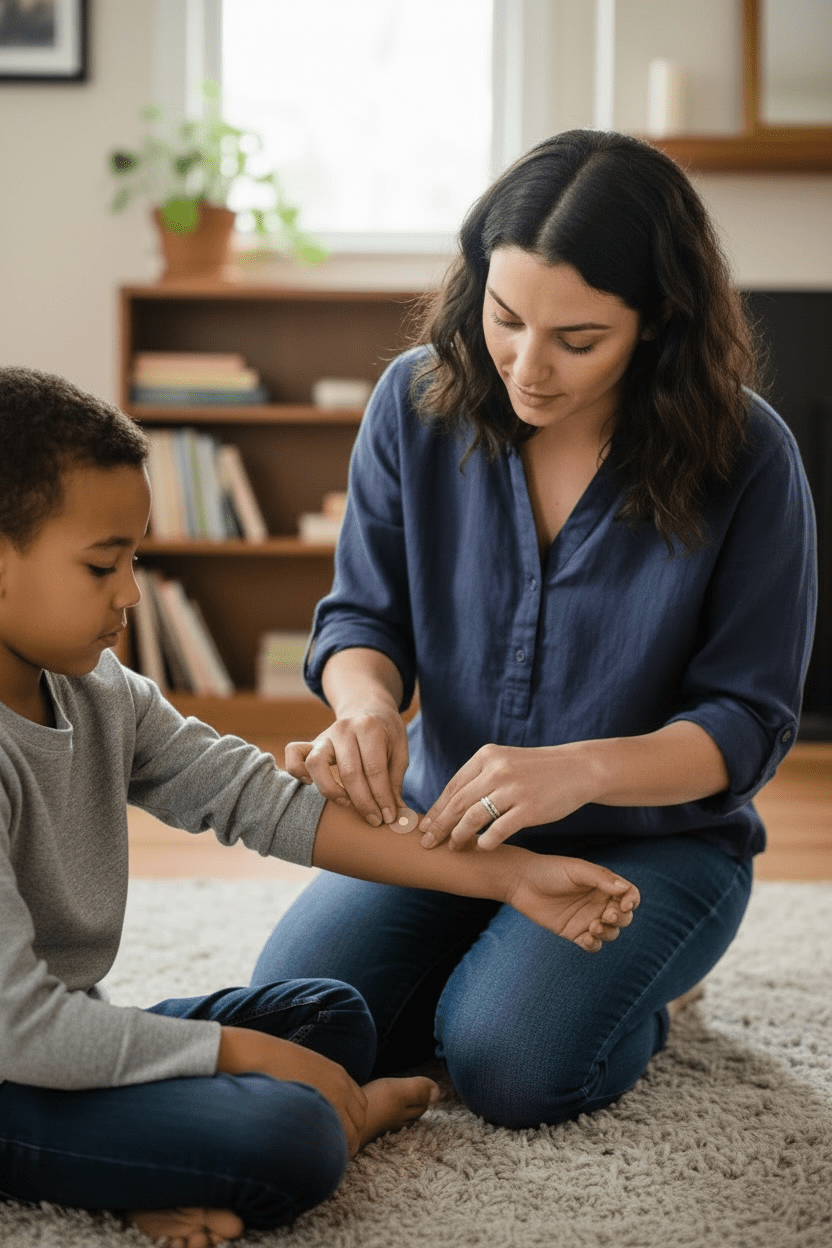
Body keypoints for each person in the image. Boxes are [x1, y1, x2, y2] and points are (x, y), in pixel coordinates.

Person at [0, 364, 640, 1248]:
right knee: (289, 1128)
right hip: (12, 1060)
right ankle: (262, 1142)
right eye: (103, 564)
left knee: (329, 1016)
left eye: (135, 559)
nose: (131, 596)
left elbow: (259, 801)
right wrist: (254, 1059)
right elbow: (22, 1031)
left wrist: (511, 874)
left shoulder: (101, 691)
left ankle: (156, 1168)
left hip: (68, 1040)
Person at [259, 129, 818, 1130]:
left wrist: (580, 769)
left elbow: (746, 721)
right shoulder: (413, 401)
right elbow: (361, 617)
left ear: (655, 325)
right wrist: (366, 708)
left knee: (511, 1066)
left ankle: (640, 989)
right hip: (447, 828)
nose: (525, 366)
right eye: (505, 318)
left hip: (656, 847)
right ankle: (504, 967)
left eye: (577, 339)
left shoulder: (750, 458)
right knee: (297, 1021)